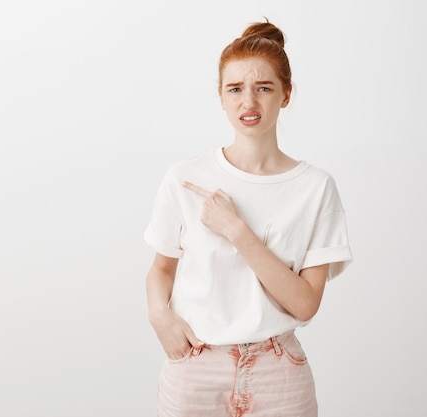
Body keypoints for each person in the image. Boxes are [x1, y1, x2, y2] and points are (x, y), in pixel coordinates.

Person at [143, 19, 353, 417]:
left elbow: (305, 304)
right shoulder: (185, 178)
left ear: (286, 95)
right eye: (235, 89)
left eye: (264, 88)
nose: (248, 102)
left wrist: (237, 230)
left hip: (279, 374)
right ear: (220, 97)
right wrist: (159, 316)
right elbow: (160, 268)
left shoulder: (315, 187)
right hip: (195, 368)